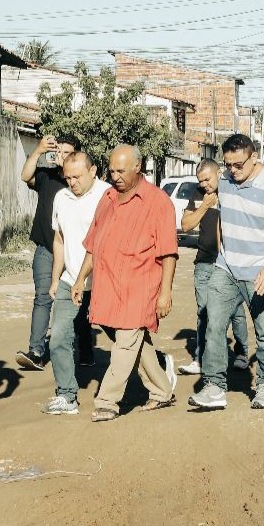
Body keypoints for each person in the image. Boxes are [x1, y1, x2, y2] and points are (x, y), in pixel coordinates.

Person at [73, 145, 178, 422]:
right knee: (134, 342)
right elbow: (94, 244)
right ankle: (161, 390)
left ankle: (107, 400)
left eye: (121, 171)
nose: (115, 176)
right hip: (108, 286)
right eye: (112, 170)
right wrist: (80, 277)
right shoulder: (107, 198)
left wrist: (165, 293)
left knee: (125, 341)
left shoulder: (158, 202)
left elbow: (168, 252)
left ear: (137, 167)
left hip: (140, 287)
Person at [188, 134, 264, 411]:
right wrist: (223, 251)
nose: (232, 171)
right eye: (228, 165)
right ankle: (214, 386)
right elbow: (218, 217)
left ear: (254, 157)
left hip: (260, 271)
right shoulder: (223, 181)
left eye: (238, 165)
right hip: (226, 270)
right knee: (213, 323)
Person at [41, 150, 106, 416]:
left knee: (125, 337)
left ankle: (159, 365)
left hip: (102, 282)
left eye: (77, 177)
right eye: (67, 177)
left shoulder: (107, 196)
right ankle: (67, 395)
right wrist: (57, 277)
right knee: (58, 338)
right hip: (71, 281)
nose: (72, 183)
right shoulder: (61, 197)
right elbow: (59, 240)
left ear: (92, 171)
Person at [177, 159, 250, 377]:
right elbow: (186, 225)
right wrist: (206, 205)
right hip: (204, 262)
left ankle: (241, 353)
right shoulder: (199, 194)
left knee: (236, 312)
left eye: (207, 179)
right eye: (201, 181)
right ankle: (201, 358)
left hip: (230, 263)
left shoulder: (232, 189)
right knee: (203, 312)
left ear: (219, 173)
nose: (204, 184)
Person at [16, 134, 81, 371]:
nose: (61, 157)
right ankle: (36, 352)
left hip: (74, 253)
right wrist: (38, 151)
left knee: (78, 301)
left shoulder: (79, 183)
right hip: (46, 249)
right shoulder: (47, 176)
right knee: (42, 298)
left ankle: (83, 348)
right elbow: (25, 176)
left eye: (67, 153)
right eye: (59, 151)